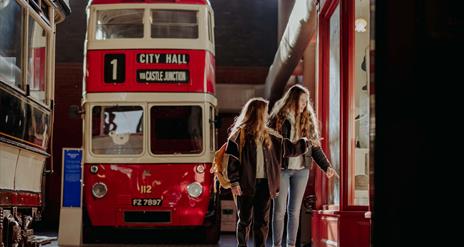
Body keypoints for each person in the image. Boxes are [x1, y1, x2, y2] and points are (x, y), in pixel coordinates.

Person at [226, 97, 309, 247]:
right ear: (257, 113)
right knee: (244, 220)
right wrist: (234, 181)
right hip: (245, 185)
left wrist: (305, 142)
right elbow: (231, 161)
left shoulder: (272, 136)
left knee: (262, 222)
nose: (267, 115)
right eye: (265, 112)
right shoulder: (238, 135)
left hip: (266, 185)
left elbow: (290, 149)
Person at [269, 85, 337, 247]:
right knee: (279, 211)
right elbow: (271, 146)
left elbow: (314, 147)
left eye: (306, 102)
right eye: (301, 101)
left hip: (302, 170)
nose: (304, 105)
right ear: (292, 99)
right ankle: (277, 245)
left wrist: (326, 166)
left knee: (294, 211)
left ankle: (291, 245)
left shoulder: (307, 120)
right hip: (282, 169)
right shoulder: (278, 118)